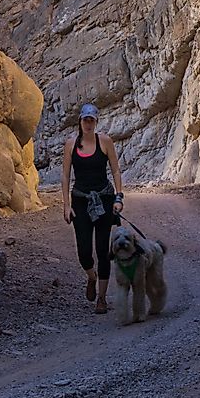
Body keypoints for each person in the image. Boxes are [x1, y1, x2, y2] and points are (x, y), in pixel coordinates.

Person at [61, 103, 124, 315]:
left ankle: (102, 298)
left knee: (103, 251)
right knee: (84, 252)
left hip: (104, 200)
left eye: (92, 120)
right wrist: (66, 205)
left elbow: (115, 170)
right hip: (80, 201)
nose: (88, 124)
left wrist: (118, 197)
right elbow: (65, 175)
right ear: (80, 121)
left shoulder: (104, 141)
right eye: (85, 120)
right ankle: (91, 277)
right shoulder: (71, 144)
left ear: (96, 122)